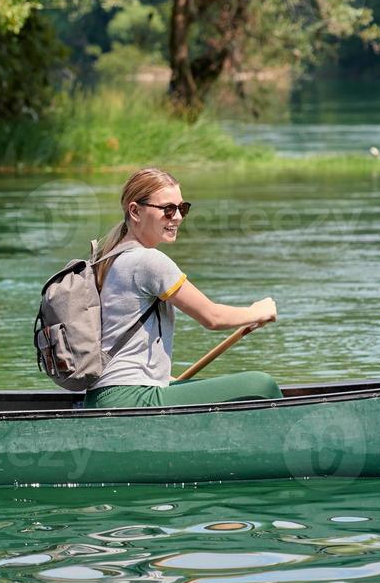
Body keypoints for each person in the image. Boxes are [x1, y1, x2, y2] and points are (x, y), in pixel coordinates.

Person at [84, 167, 281, 409]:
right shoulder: (149, 261)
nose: (177, 217)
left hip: (105, 395)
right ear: (135, 211)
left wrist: (162, 378)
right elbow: (213, 317)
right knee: (260, 385)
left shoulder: (109, 257)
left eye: (182, 208)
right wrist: (258, 311)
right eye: (167, 209)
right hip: (129, 398)